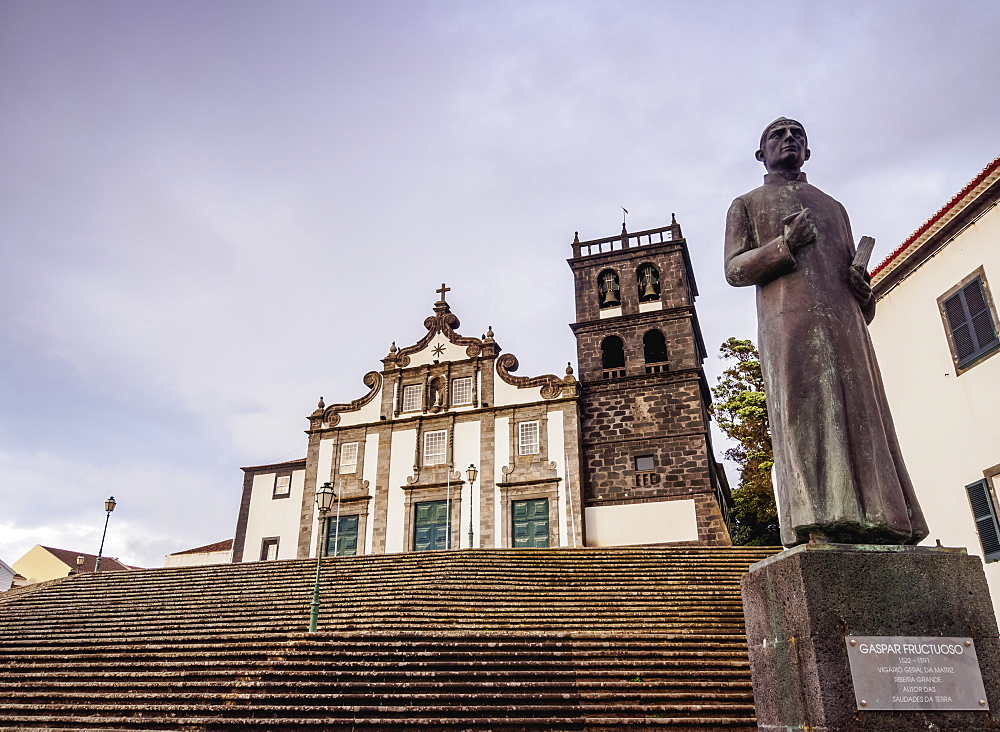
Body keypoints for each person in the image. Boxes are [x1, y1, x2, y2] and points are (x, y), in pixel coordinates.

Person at [725, 118, 928, 547]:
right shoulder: (746, 203)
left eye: (798, 134)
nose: (789, 140)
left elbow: (856, 280)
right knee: (804, 415)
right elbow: (734, 269)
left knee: (862, 414)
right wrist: (784, 246)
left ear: (808, 151)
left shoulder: (834, 207)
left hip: (846, 324)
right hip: (790, 325)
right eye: (777, 135)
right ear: (761, 153)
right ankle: (815, 515)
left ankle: (884, 517)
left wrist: (864, 291)